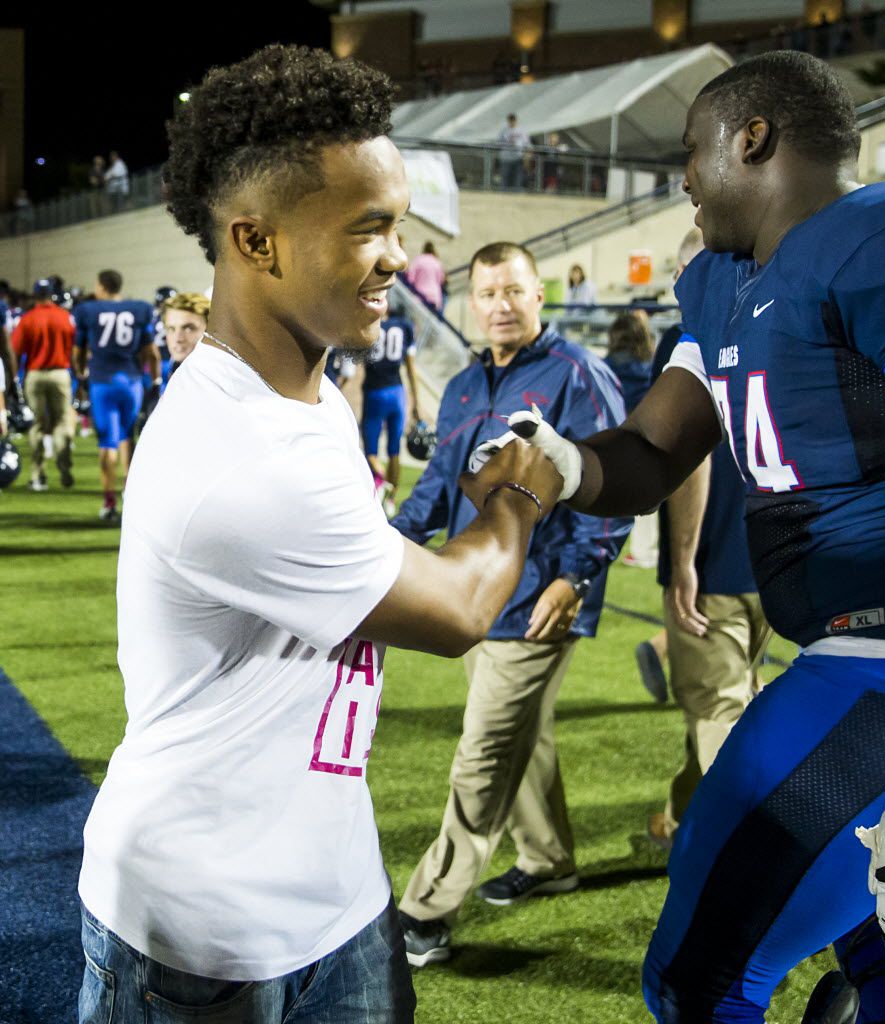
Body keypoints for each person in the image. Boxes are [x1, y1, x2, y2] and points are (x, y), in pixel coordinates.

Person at [77, 44, 561, 1024]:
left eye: (398, 226)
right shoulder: (242, 450)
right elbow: (460, 607)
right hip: (207, 937)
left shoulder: (301, 394)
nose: (396, 257)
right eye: (367, 228)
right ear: (256, 242)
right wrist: (517, 495)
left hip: (332, 886)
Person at [499, 51, 885, 1023]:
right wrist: (563, 465)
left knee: (700, 979)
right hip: (854, 656)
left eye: (689, 151)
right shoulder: (722, 283)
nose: (680, 180)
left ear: (752, 138)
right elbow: (649, 448)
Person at [393, 241, 631, 967]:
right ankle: (551, 858)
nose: (500, 304)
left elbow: (612, 478)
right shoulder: (466, 382)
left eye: (514, 291)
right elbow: (439, 481)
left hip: (538, 598)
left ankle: (423, 911)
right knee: (522, 739)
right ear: (472, 301)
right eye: (488, 292)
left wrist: (578, 576)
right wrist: (390, 541)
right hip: (475, 596)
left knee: (483, 751)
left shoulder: (577, 375)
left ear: (538, 295)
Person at [644, 227, 771, 851]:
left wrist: (685, 560)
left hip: (715, 565)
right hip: (769, 560)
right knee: (730, 705)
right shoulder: (775, 321)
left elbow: (688, 457)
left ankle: (726, 859)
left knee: (721, 717)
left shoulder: (688, 337)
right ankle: (678, 817)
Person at [72, 269, 159, 522]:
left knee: (107, 444)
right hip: (131, 382)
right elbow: (151, 352)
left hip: (102, 383)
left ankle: (109, 503)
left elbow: (78, 352)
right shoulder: (138, 309)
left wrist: (80, 375)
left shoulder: (89, 311)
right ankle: (131, 498)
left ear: (101, 286)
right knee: (127, 439)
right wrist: (154, 380)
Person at [10, 278, 77, 491]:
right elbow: (75, 349)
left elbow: (16, 351)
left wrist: (14, 379)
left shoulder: (28, 319)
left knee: (37, 425)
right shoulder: (65, 317)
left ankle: (38, 476)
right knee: (63, 422)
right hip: (60, 373)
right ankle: (64, 467)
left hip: (35, 374)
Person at [605, 311, 658, 568]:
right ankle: (643, 551)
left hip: (611, 448)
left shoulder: (603, 369)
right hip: (648, 446)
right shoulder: (653, 371)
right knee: (647, 505)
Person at [361, 300, 420, 517]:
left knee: (371, 452)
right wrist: (417, 403)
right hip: (397, 393)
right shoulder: (403, 326)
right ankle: (392, 498)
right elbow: (411, 368)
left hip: (374, 393)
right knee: (395, 451)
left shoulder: (368, 324)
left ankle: (380, 484)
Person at [161, 291, 209, 375]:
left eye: (189, 328)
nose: (177, 338)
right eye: (171, 329)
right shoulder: (171, 370)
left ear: (209, 331)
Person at [405, 241, 445, 312]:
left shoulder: (418, 260)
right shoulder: (437, 262)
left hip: (420, 296)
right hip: (434, 297)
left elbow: (410, 278)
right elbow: (440, 280)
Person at [497, 113, 530, 191]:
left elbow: (527, 143)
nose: (512, 122)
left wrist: (527, 155)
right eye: (510, 120)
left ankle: (516, 197)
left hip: (518, 158)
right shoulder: (504, 131)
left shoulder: (521, 131)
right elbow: (498, 143)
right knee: (505, 178)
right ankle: (503, 195)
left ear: (516, 120)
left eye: (513, 120)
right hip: (506, 158)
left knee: (518, 179)